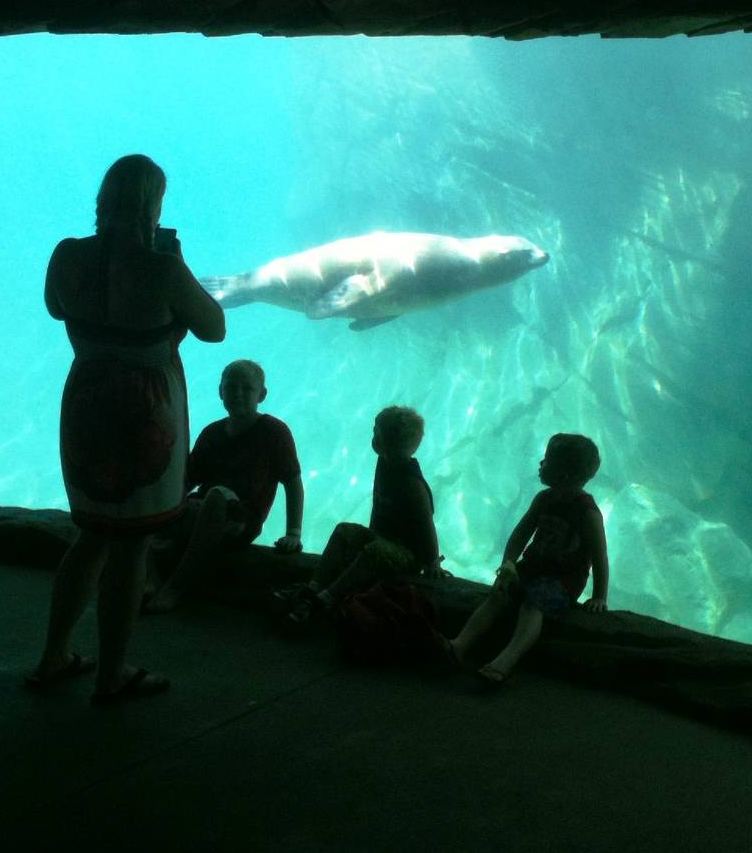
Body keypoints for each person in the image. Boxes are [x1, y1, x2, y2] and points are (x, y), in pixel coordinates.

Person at [26, 154, 224, 704]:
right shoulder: (162, 267)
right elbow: (215, 328)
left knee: (92, 536)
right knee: (132, 545)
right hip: (146, 414)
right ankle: (111, 674)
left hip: (87, 403)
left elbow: (54, 307)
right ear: (152, 206)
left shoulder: (66, 254)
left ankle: (53, 655)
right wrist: (176, 263)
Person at [440, 434, 608, 686]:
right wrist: (508, 563)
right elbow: (520, 534)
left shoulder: (588, 512)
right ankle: (460, 645)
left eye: (547, 460)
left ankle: (505, 661)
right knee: (499, 593)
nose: (541, 463)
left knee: (533, 604)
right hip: (531, 567)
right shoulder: (544, 499)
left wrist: (599, 597)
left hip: (563, 579)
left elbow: (599, 556)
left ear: (564, 474)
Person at [142, 358, 304, 613]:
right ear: (220, 391)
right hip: (203, 510)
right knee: (149, 500)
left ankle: (175, 587)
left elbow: (293, 483)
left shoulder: (275, 432)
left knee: (217, 495)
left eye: (246, 388)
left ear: (262, 395)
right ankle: (150, 579)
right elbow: (187, 481)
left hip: (242, 520)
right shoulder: (212, 432)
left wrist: (294, 532)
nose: (237, 393)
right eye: (231, 387)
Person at [279, 404, 441, 627]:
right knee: (343, 530)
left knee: (374, 551)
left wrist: (433, 561)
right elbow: (378, 505)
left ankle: (326, 600)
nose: (373, 437)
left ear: (390, 443)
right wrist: (369, 536)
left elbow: (426, 524)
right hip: (382, 540)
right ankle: (313, 587)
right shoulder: (384, 462)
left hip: (408, 554)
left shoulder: (412, 484)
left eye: (377, 433)